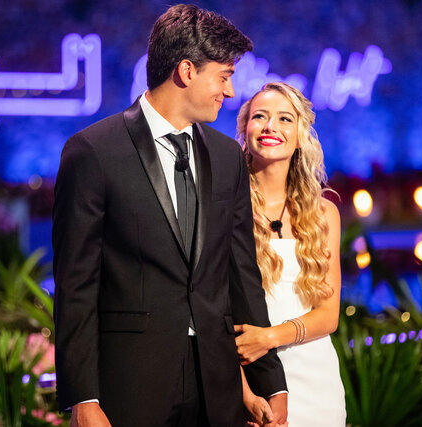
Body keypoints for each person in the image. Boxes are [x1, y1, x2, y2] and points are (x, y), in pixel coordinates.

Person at [52, 5, 287, 427]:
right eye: (224, 76)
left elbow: (242, 275)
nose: (230, 91)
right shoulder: (93, 152)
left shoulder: (227, 156)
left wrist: (271, 383)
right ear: (186, 71)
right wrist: (83, 398)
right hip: (130, 385)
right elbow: (76, 285)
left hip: (217, 386)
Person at [234, 82, 346, 426]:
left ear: (300, 135)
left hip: (316, 384)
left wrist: (268, 337)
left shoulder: (324, 213)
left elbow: (328, 316)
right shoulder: (225, 208)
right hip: (251, 380)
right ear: (245, 130)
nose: (271, 127)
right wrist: (245, 394)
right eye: (260, 117)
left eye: (284, 118)